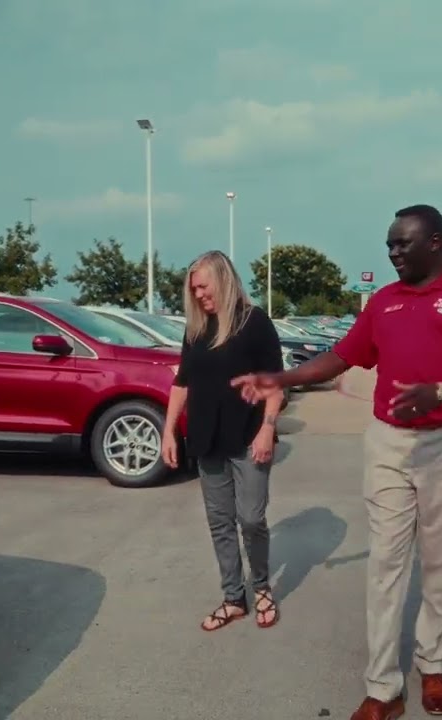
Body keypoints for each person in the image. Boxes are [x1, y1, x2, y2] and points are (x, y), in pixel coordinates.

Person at [232, 204, 442, 720]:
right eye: (389, 244)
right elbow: (343, 355)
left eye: (403, 243)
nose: (393, 252)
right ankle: (384, 688)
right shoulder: (384, 302)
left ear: (436, 242)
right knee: (385, 565)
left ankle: (433, 665)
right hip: (389, 444)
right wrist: (283, 379)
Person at [162, 250, 286, 632]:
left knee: (251, 518)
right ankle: (234, 598)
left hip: (249, 436)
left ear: (223, 278)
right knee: (220, 522)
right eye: (193, 289)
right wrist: (168, 430)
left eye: (203, 286)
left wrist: (267, 428)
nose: (198, 294)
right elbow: (182, 382)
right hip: (205, 438)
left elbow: (275, 385)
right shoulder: (196, 329)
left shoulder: (255, 322)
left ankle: (262, 587)